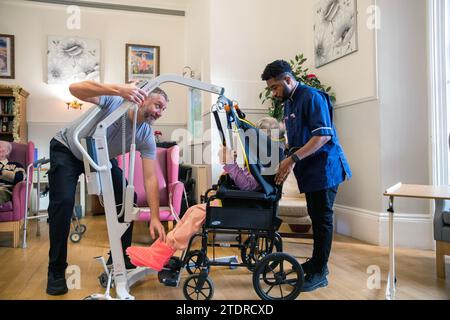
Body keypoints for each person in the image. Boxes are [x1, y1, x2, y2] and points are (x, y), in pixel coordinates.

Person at [46, 80, 168, 296]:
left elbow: (150, 178)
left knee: (127, 199)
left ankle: (120, 259)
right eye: (158, 105)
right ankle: (56, 270)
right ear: (144, 96)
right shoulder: (115, 101)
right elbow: (74, 88)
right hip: (67, 148)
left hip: (99, 156)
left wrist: (155, 217)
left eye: (163, 109)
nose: (160, 112)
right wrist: (120, 89)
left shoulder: (146, 134)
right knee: (64, 202)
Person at [126, 117, 283, 271]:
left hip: (248, 207)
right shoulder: (263, 159)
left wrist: (230, 164)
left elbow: (249, 186)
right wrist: (232, 166)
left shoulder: (268, 161)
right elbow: (250, 182)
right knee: (192, 210)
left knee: (196, 215)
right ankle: (159, 251)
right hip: (243, 204)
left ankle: (161, 252)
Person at [261, 60, 352, 292]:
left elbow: (322, 137)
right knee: (315, 216)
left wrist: (292, 160)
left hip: (325, 168)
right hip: (311, 170)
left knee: (322, 220)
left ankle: (321, 272)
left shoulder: (312, 97)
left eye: (275, 87)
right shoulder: (289, 102)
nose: (274, 93)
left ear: (288, 79)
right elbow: (297, 138)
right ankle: (315, 262)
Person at [0, 141, 26, 206]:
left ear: (7, 151)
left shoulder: (16, 165)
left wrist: (2, 172)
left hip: (4, 190)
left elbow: (20, 178)